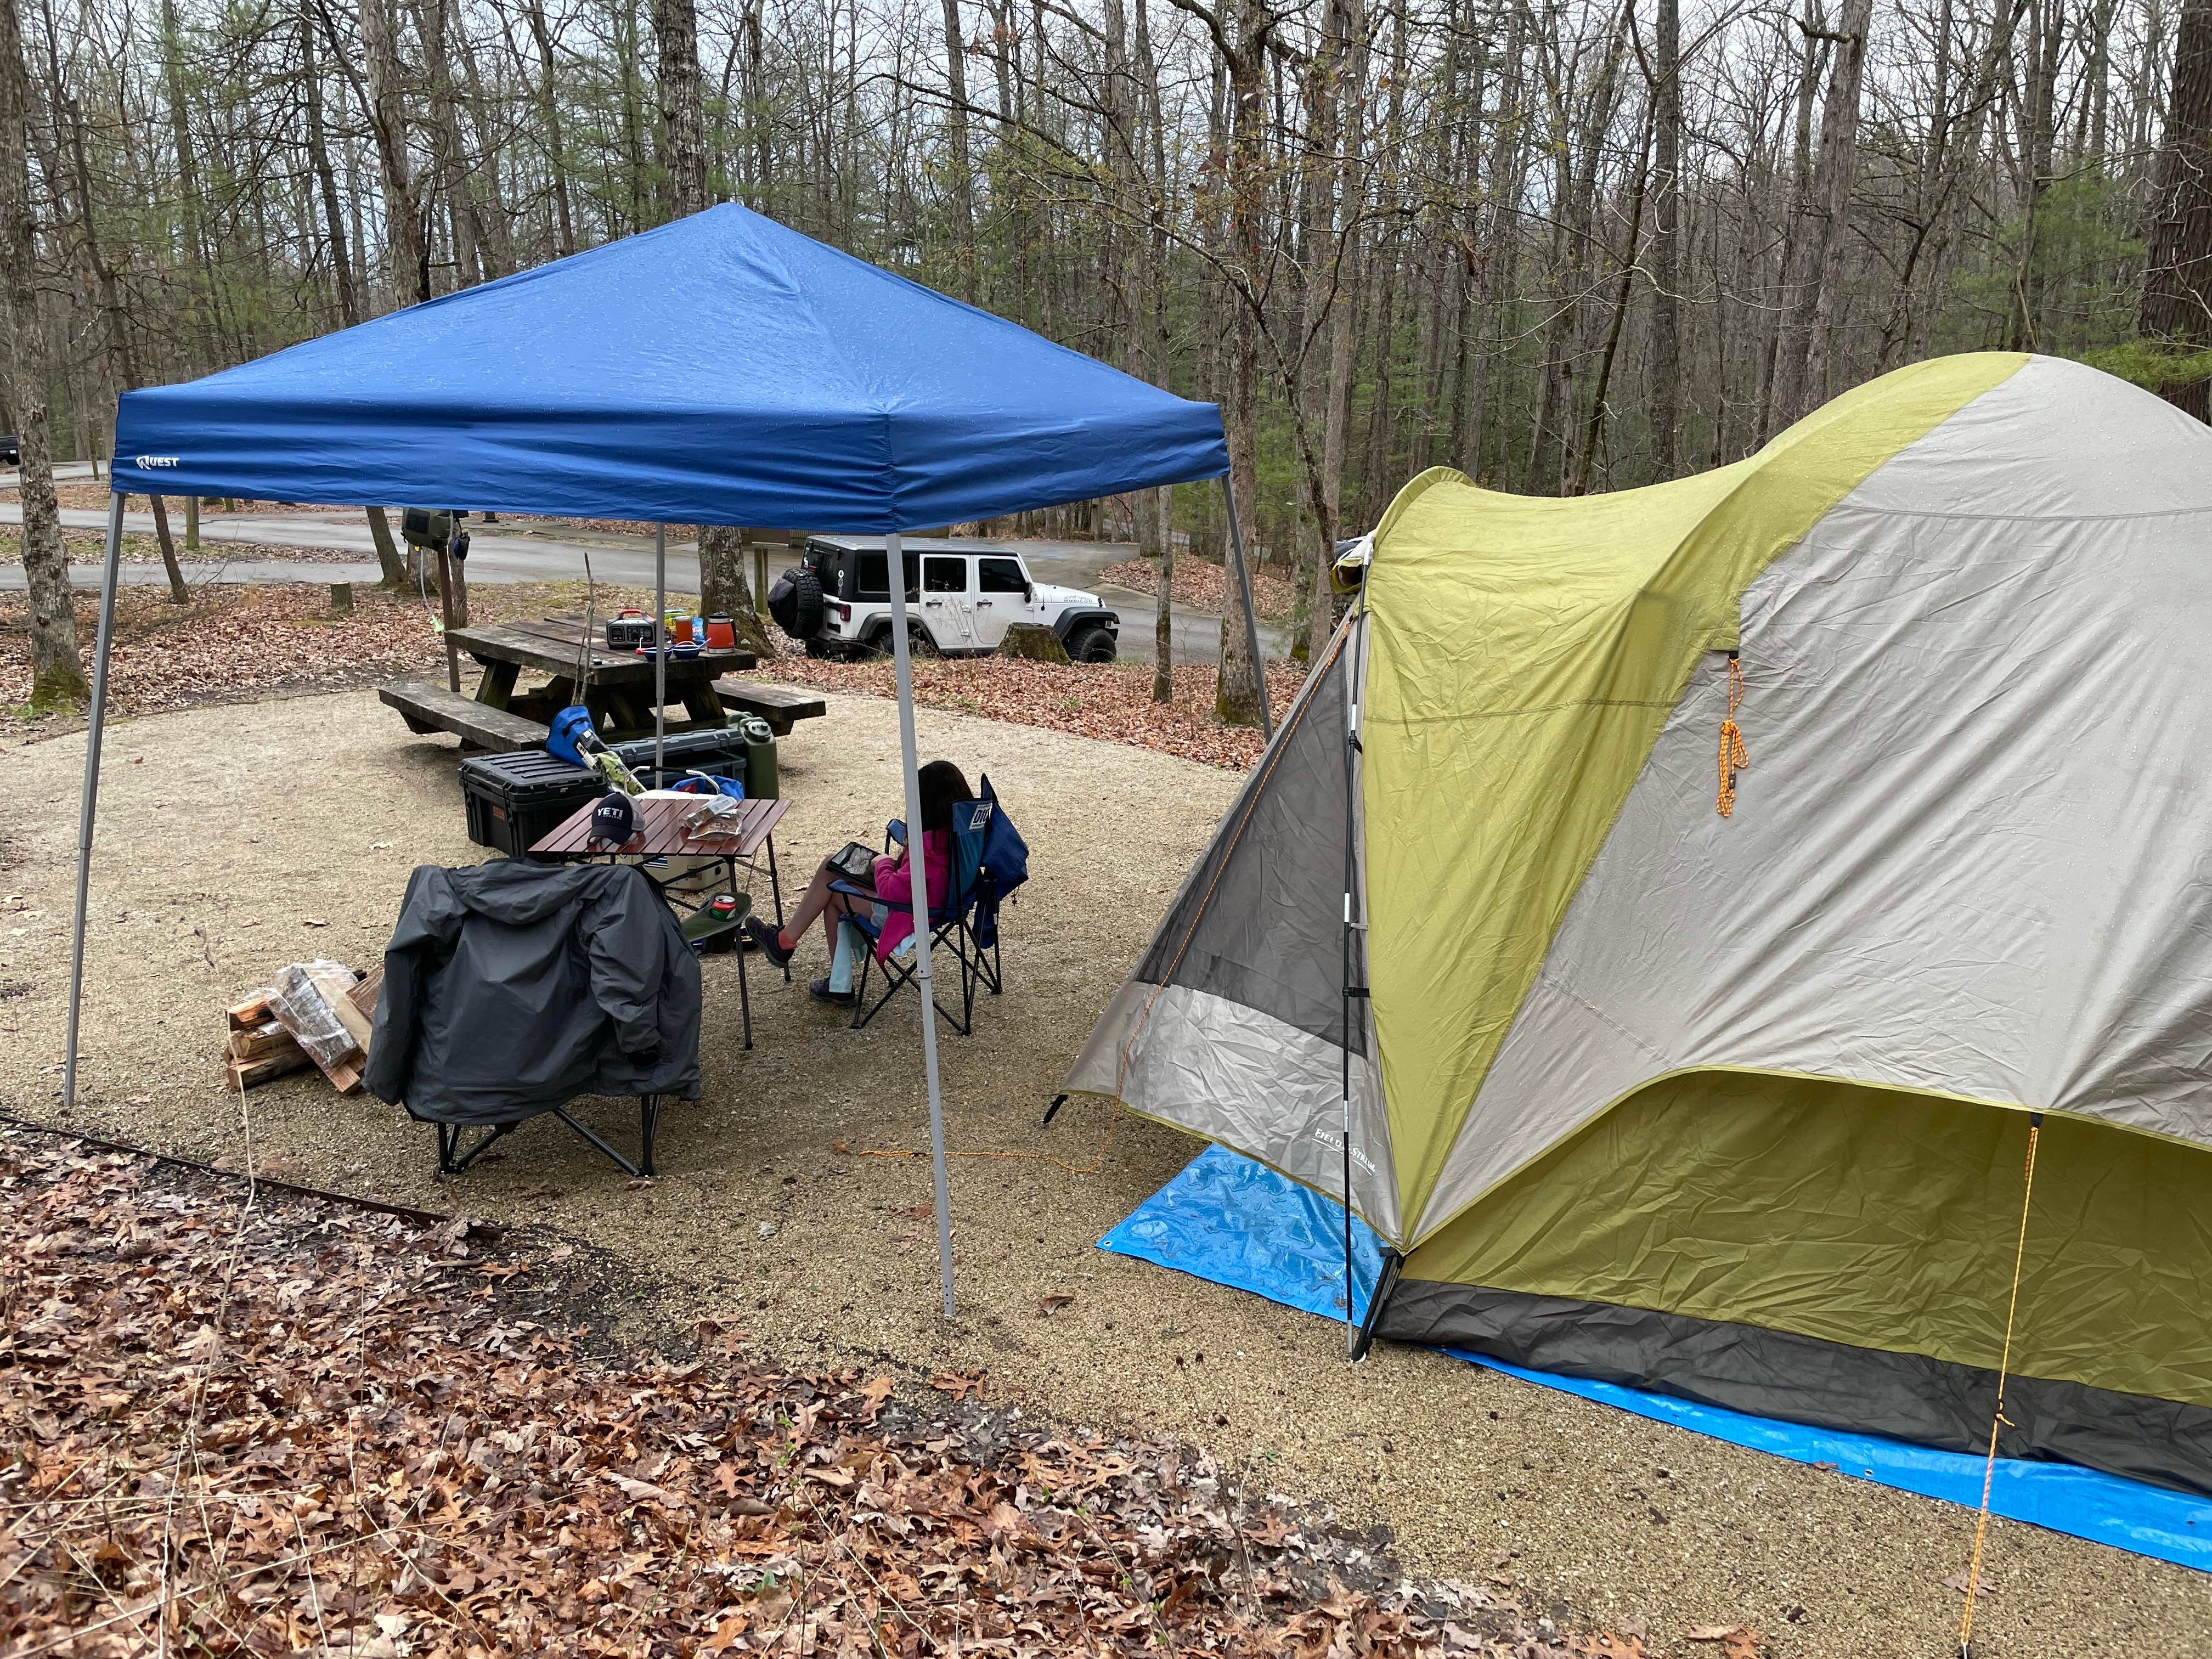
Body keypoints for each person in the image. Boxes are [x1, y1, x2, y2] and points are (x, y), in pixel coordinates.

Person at [745, 760, 974, 1005]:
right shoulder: (959, 836)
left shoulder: (927, 851)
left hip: (908, 914)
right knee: (834, 863)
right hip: (939, 904)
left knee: (832, 888)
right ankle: (794, 948)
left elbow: (891, 892)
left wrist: (883, 863)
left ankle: (817, 968)